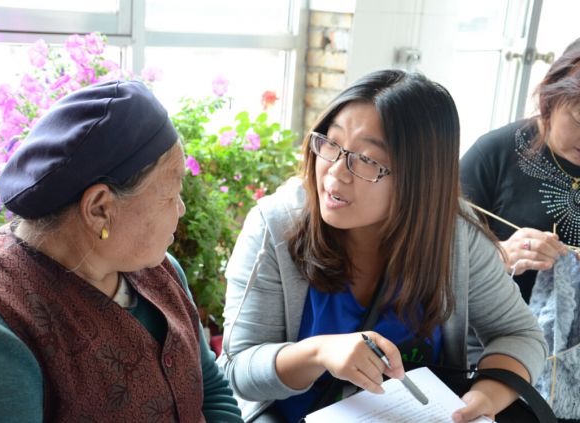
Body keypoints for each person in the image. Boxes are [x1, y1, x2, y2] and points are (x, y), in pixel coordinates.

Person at [217, 69, 547, 423]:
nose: (335, 173)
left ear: (419, 180)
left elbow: (518, 333)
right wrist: (318, 353)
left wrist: (485, 397)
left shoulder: (452, 235)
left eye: (367, 160)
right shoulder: (277, 226)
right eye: (331, 143)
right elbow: (238, 369)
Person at [0, 80, 243, 422]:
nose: (182, 209)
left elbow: (212, 393)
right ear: (99, 208)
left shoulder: (161, 271)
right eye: (170, 194)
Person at [460, 38, 580, 302]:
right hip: (494, 333)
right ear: (552, 95)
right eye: (579, 121)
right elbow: (431, 256)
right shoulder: (494, 153)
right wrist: (502, 255)